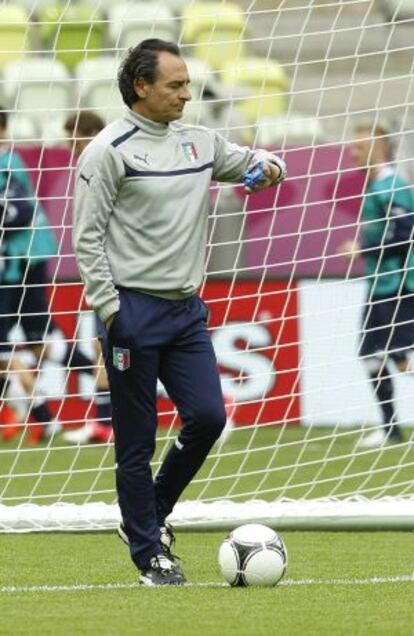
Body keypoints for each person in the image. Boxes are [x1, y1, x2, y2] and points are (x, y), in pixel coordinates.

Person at [73, 39, 286, 586]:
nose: (187, 95)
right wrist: (112, 310)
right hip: (132, 311)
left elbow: (252, 164)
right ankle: (150, 557)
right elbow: (87, 240)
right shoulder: (108, 150)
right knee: (137, 440)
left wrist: (270, 167)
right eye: (175, 85)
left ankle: (146, 515)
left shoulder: (200, 142)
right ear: (141, 86)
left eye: (188, 84)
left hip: (186, 311)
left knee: (210, 418)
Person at [0, 107, 97, 443]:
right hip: (19, 262)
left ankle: (42, 416)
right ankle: (46, 416)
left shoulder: (7, 164)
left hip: (21, 263)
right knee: (41, 342)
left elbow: (21, 210)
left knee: (19, 343)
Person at [340, 122, 414, 449]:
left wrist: (362, 250)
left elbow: (405, 235)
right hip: (378, 286)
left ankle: (391, 429)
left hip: (399, 284)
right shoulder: (374, 188)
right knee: (370, 355)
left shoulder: (393, 185)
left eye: (359, 146)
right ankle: (390, 429)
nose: (353, 152)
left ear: (379, 149)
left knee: (403, 356)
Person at [62, 111, 113, 444]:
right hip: (103, 270)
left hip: (119, 272)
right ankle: (104, 422)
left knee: (115, 351)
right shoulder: (88, 168)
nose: (69, 146)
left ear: (93, 134)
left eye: (74, 138)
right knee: (103, 349)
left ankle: (220, 405)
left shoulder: (105, 163)